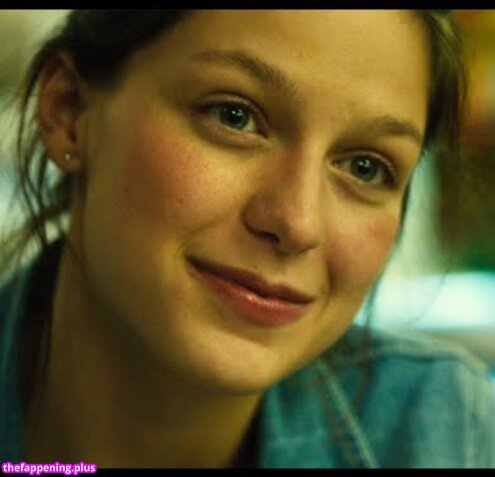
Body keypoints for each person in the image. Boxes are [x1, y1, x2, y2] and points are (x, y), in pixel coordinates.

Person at [0, 10, 494, 468]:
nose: (298, 224)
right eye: (233, 116)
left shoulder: (445, 435)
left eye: (365, 168)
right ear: (69, 111)